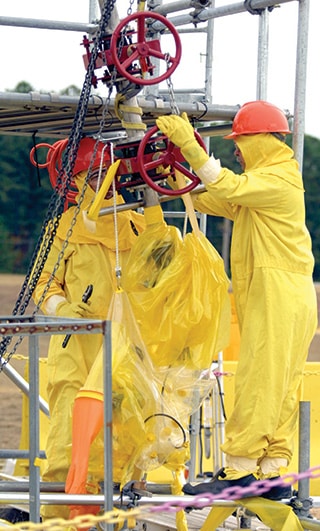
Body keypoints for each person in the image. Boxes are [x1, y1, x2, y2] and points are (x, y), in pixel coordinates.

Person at [156, 101, 318, 500]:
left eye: (240, 141)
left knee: (260, 380)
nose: (236, 151)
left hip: (278, 291)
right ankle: (271, 472)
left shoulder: (277, 179)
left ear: (261, 139)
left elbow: (226, 186)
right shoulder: (267, 182)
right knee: (279, 383)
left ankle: (240, 470)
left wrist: (189, 147)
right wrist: (172, 174)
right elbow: (218, 199)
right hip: (286, 293)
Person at [33, 137, 147, 521]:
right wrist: (64, 309)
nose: (104, 183)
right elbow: (42, 283)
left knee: (123, 442)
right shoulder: (64, 227)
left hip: (125, 350)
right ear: (77, 180)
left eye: (108, 174)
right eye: (95, 175)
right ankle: (58, 522)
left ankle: (115, 523)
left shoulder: (137, 223)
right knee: (67, 442)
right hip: (75, 348)